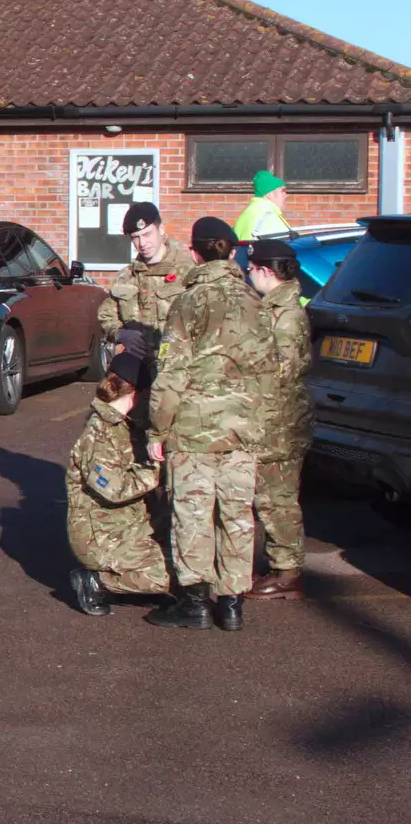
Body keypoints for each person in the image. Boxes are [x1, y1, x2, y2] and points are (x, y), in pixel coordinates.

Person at [146, 217, 278, 632]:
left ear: (196, 252)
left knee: (194, 512)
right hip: (244, 427)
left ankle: (195, 602)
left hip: (195, 429)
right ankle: (233, 602)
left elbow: (171, 373)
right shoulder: (256, 303)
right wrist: (261, 424)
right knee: (237, 513)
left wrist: (157, 428)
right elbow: (270, 371)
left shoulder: (187, 303)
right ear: (233, 253)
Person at [66, 348, 173, 615]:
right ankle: (98, 582)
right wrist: (155, 471)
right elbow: (113, 489)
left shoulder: (127, 425)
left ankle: (134, 585)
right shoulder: (98, 433)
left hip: (133, 526)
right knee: (175, 573)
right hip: (104, 536)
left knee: (193, 558)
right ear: (134, 392)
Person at [246, 239, 313, 600]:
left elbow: (284, 371)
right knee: (270, 497)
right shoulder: (273, 307)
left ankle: (287, 572)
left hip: (280, 422)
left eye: (252, 268)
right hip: (272, 418)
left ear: (267, 271)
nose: (247, 273)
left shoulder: (285, 316)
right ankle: (280, 566)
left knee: (278, 499)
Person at [98, 202, 197, 360]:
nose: (142, 243)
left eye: (147, 234)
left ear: (161, 229)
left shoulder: (188, 272)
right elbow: (106, 316)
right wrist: (121, 333)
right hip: (137, 363)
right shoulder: (126, 277)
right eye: (135, 238)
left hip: (176, 368)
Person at [234, 170, 292, 240]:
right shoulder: (267, 216)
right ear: (269, 194)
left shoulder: (251, 211)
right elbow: (282, 246)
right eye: (282, 191)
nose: (286, 195)